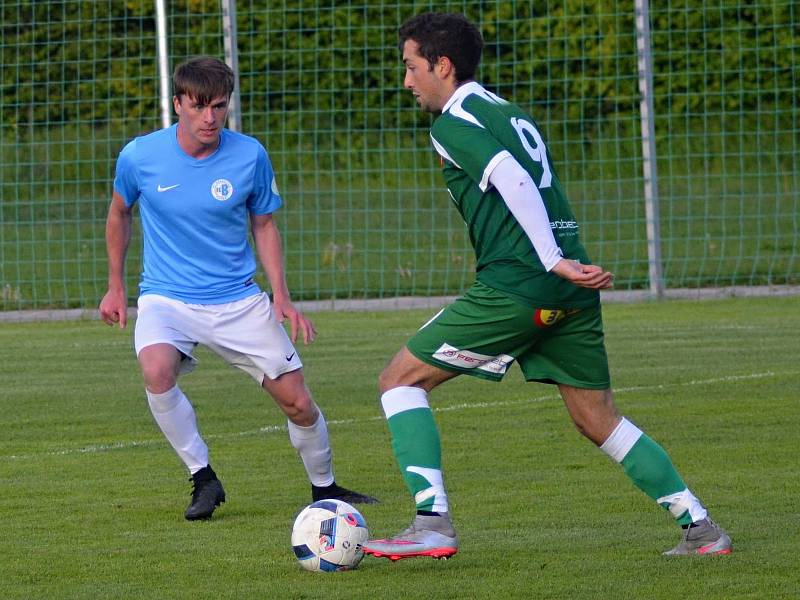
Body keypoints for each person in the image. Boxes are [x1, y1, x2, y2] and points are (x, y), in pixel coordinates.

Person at [362, 13, 731, 560]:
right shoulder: (506, 111)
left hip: (522, 285)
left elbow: (511, 177)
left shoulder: (453, 122)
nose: (407, 82)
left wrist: (551, 259)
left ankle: (431, 522)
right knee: (596, 417)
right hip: (570, 291)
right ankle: (700, 528)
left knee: (399, 381)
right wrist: (563, 261)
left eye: (412, 67)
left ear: (443, 65)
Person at [99, 56, 376, 520]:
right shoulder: (140, 156)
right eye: (199, 106)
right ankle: (202, 478)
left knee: (298, 402)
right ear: (178, 104)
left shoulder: (250, 155)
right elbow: (118, 213)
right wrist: (115, 286)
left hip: (238, 300)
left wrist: (281, 295)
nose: (210, 118)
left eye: (219, 107)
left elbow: (264, 225)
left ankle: (325, 488)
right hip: (167, 296)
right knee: (156, 370)